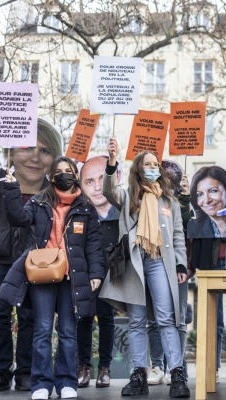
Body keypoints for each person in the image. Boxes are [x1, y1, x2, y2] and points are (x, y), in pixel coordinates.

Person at [0, 156, 104, 400]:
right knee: (42, 330)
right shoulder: (38, 201)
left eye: (68, 171)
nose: (63, 174)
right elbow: (19, 219)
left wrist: (96, 274)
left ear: (75, 175)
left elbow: (94, 244)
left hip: (72, 277)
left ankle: (67, 381)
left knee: (68, 330)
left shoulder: (86, 207)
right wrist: (12, 187)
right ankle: (41, 384)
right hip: (43, 274)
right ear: (51, 176)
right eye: (59, 171)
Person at [100, 138, 190, 398]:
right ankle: (138, 373)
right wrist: (112, 161)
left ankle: (177, 374)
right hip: (134, 264)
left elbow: (177, 236)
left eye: (155, 164)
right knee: (137, 320)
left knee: (166, 318)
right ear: (138, 169)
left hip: (161, 261)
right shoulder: (129, 196)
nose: (152, 168)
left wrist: (181, 264)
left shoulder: (169, 201)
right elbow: (109, 192)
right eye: (147, 164)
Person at [0, 118, 62, 393]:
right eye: (26, 147)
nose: (35, 157)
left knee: (31, 317)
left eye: (45, 151)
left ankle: (27, 370)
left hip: (37, 261)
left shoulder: (56, 192)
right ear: (11, 152)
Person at [187, 166, 226, 385]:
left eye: (214, 191)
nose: (206, 199)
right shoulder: (198, 221)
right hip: (210, 267)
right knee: (214, 320)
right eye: (200, 193)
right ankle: (214, 368)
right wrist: (191, 266)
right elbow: (191, 242)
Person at [76, 155, 120, 389]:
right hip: (85, 274)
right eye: (89, 181)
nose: (96, 187)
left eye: (102, 179)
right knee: (83, 319)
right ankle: (83, 366)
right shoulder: (81, 212)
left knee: (106, 319)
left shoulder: (124, 210)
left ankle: (105, 367)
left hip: (112, 274)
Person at [147, 173, 192, 386]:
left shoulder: (176, 200)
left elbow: (181, 227)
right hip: (155, 261)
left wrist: (185, 195)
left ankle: (177, 367)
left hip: (179, 264)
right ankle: (157, 365)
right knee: (155, 319)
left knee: (178, 319)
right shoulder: (148, 198)